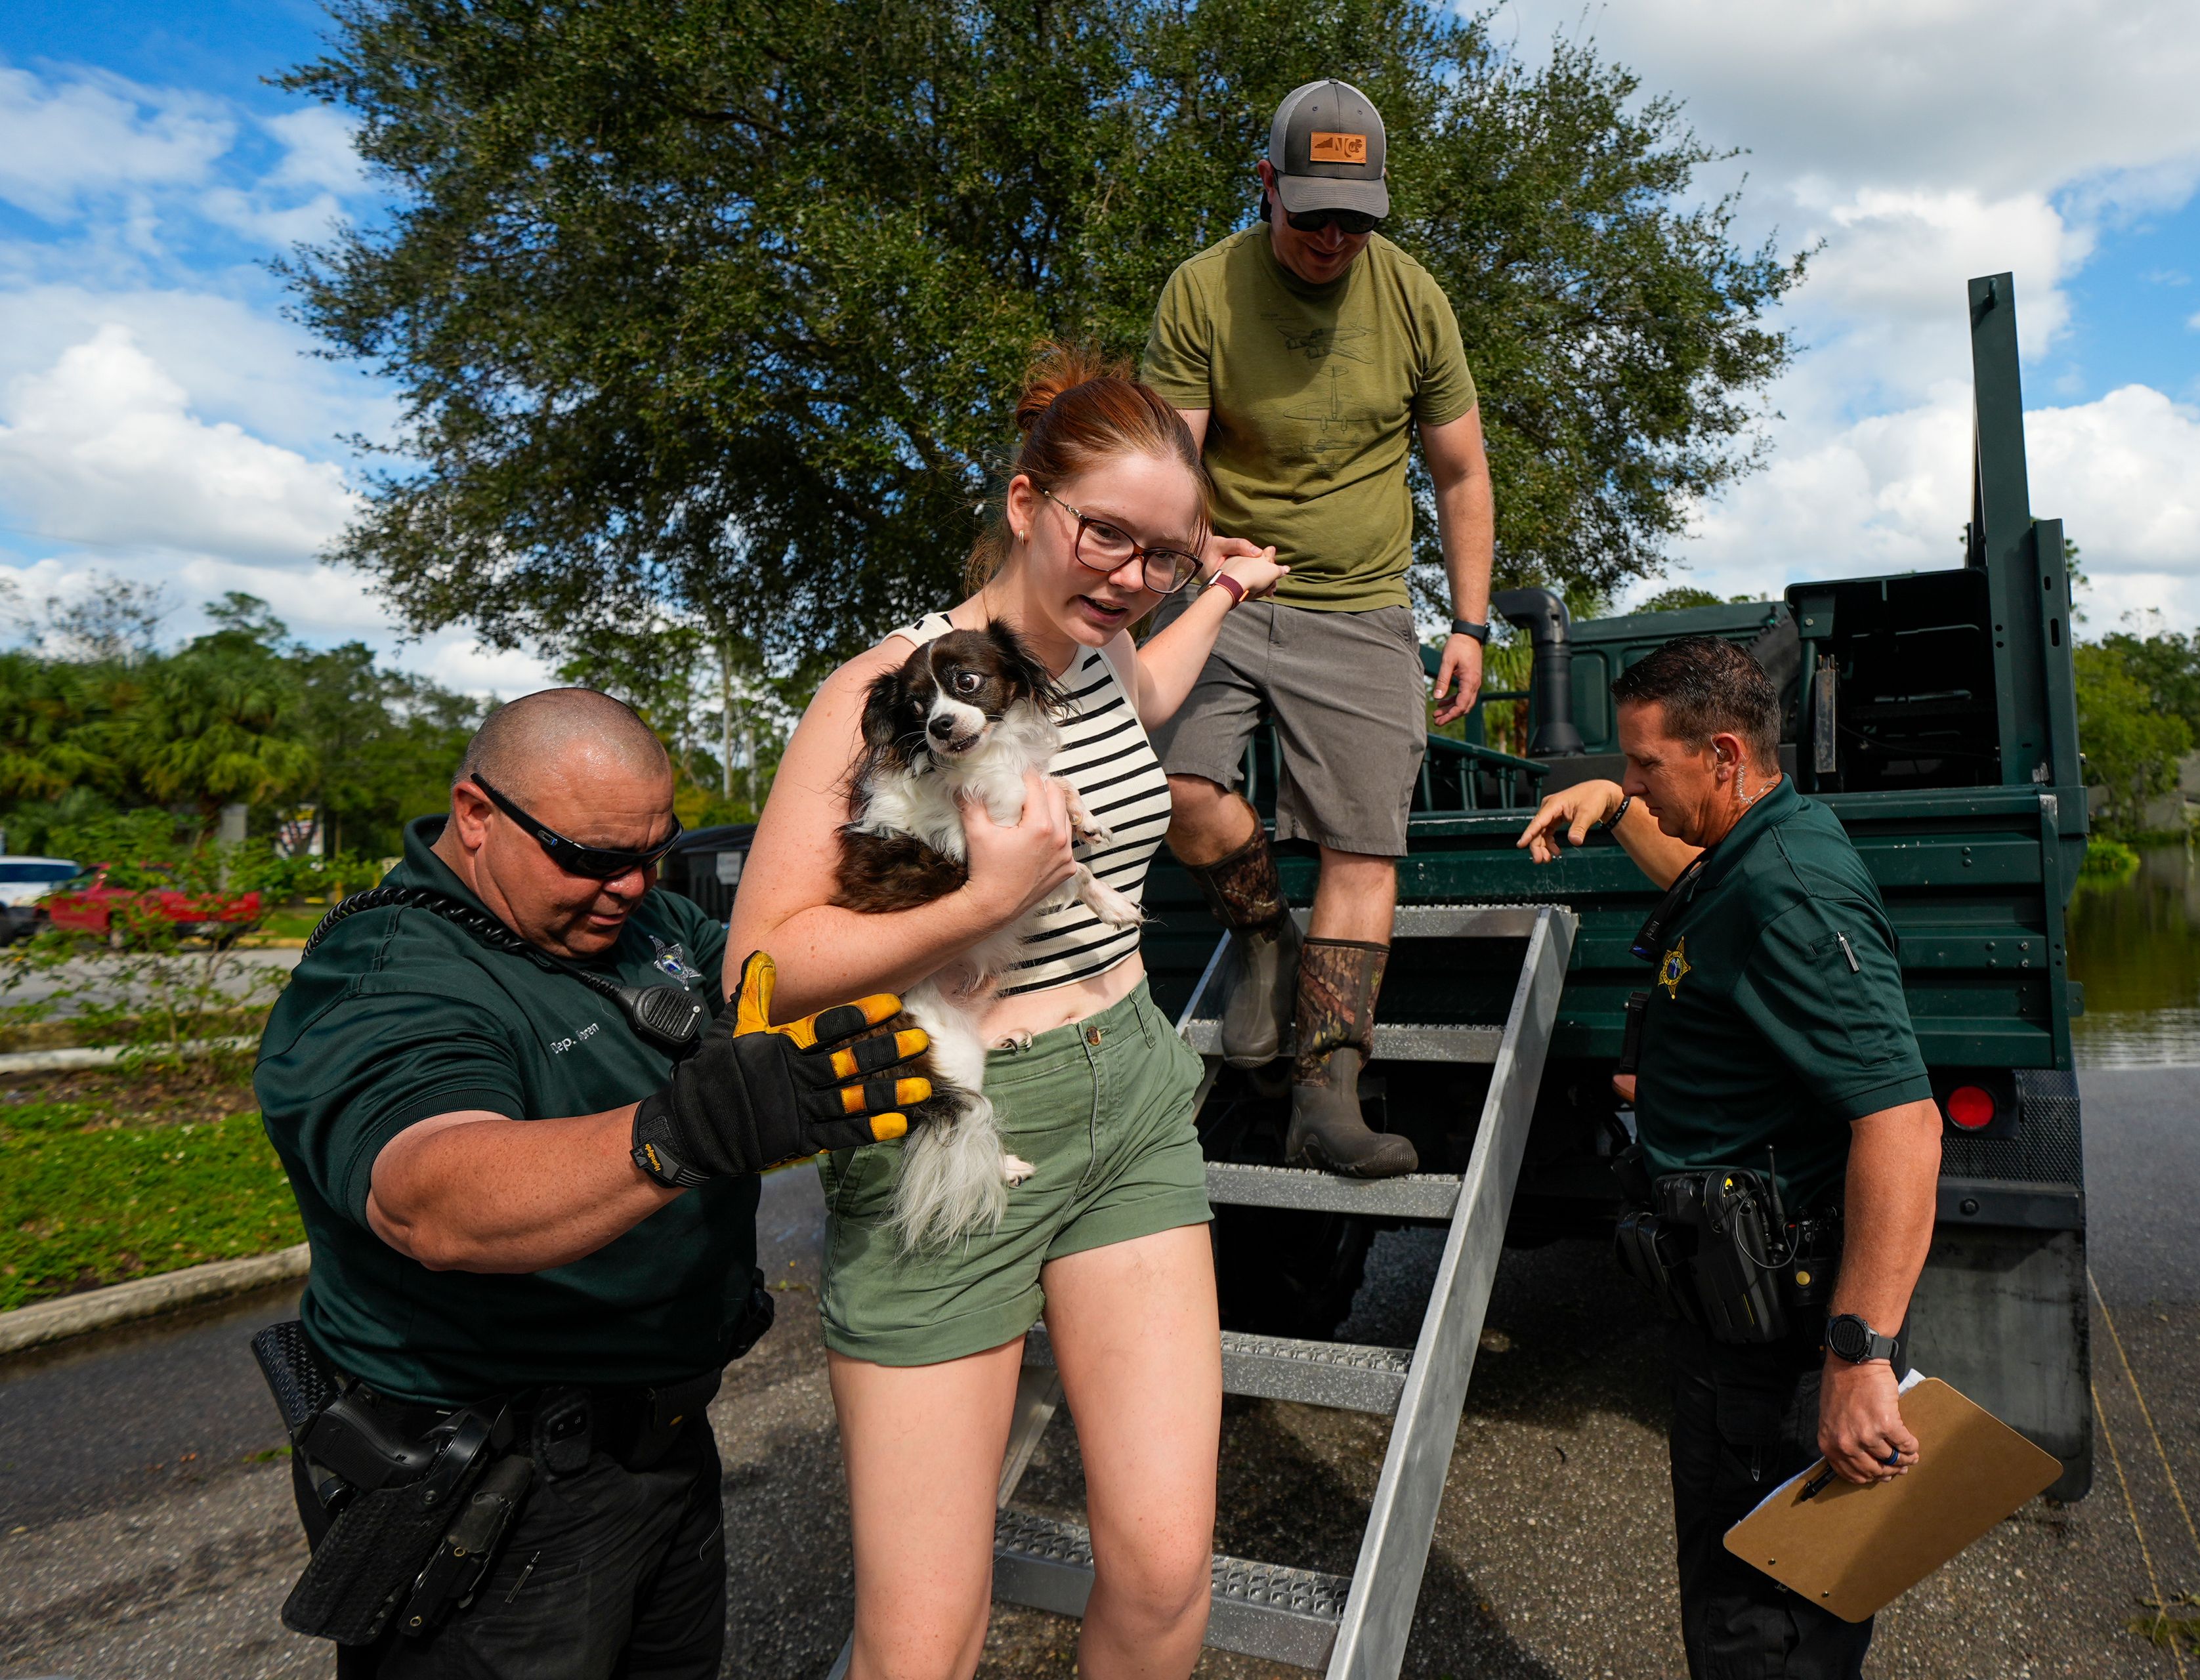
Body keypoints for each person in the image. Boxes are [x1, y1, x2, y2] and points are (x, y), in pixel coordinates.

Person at [729, 344, 1289, 1680]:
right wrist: (977, 905)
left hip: (1133, 1099)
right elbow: (759, 974)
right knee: (926, 1642)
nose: (1128, 576)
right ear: (1028, 498)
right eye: (1108, 534)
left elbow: (1148, 692)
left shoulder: (1094, 666)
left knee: (1159, 1578)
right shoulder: (896, 688)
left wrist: (1217, 589)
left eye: (1160, 552)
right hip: (950, 1114)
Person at [257, 689, 929, 1678]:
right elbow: (432, 1195)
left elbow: (778, 983)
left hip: (662, 1452)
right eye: (591, 858)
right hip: (499, 1503)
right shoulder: (392, 973)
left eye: (652, 851)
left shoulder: (646, 921)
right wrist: (685, 1131)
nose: (630, 885)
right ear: (477, 816)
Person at [1517, 637, 1945, 1679]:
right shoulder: (1751, 852)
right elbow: (1706, 884)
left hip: (1784, 1334)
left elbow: (1903, 1122)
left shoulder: (1791, 890)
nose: (1632, 785)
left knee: (1768, 1619)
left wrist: (1859, 1356)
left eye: (1644, 769)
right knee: (1740, 1593)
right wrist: (1618, 816)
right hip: (1728, 1309)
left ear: (1721, 755)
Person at [1139, 76, 1495, 1178]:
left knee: (1362, 847)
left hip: (1362, 604)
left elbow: (1462, 471)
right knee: (1175, 786)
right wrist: (1209, 567)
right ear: (1267, 188)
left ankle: (1326, 1092)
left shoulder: (1413, 299)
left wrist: (1469, 623)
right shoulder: (1204, 292)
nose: (1334, 238)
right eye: (1312, 215)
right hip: (1227, 584)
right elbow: (1169, 462)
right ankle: (1261, 937)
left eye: (1356, 218)